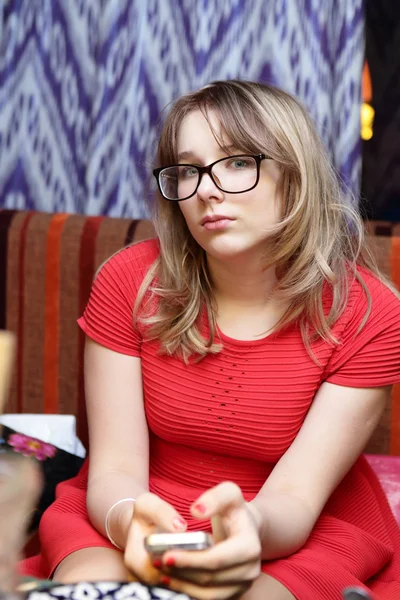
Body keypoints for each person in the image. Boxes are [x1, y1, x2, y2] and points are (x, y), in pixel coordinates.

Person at [22, 80, 400, 599]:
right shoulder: (127, 281)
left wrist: (248, 530)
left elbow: (294, 497)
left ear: (295, 173)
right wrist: (129, 521)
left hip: (295, 525)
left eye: (238, 162)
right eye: (186, 170)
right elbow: (117, 467)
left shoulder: (371, 313)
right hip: (136, 500)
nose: (205, 189)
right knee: (93, 589)